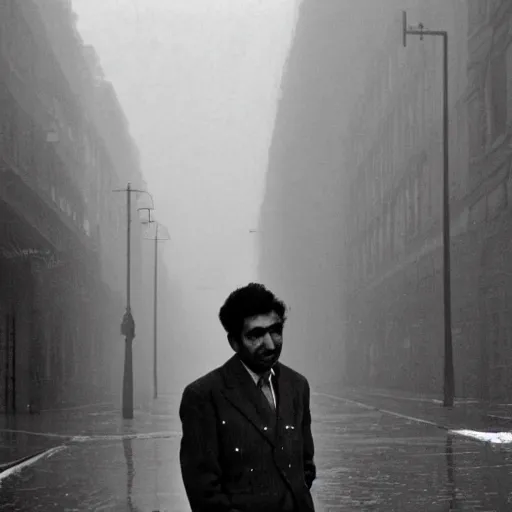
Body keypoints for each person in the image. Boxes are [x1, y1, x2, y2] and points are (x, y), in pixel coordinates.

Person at [179, 283, 316, 512]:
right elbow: (204, 494)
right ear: (234, 342)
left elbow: (305, 468)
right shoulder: (203, 396)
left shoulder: (297, 386)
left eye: (275, 331)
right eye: (256, 335)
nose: (270, 344)